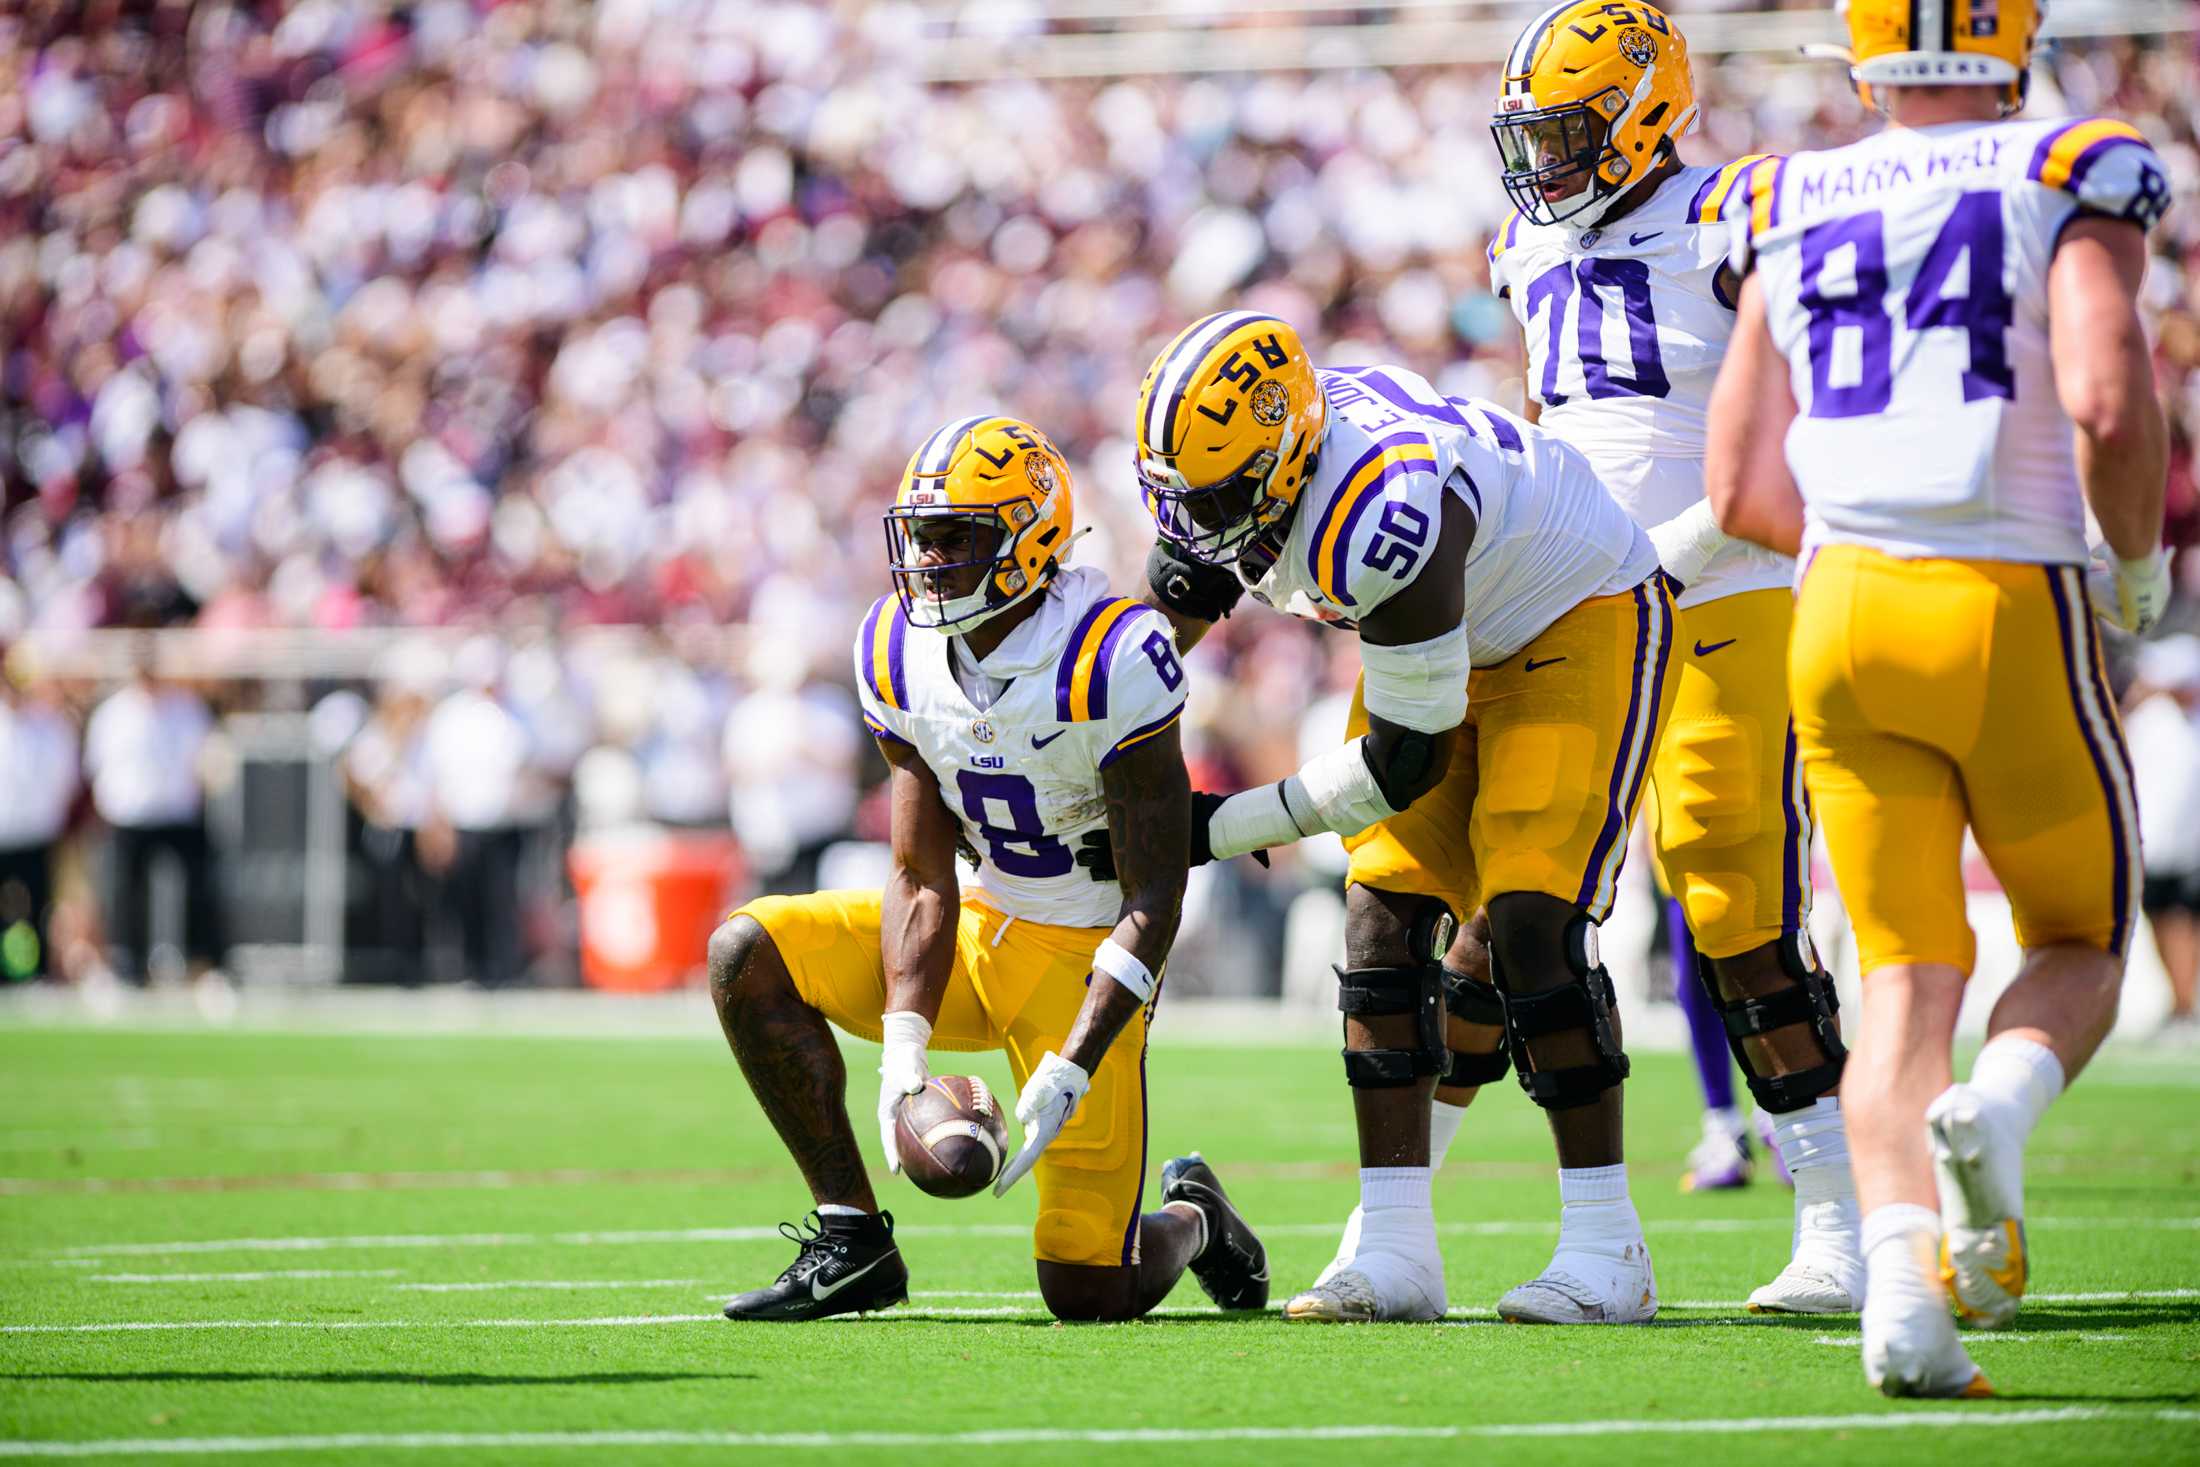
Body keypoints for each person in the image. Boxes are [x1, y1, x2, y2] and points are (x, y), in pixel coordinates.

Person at [1704, 0, 2168, 1396]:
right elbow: (2102, 393)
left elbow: (1738, 492)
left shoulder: (1786, 193)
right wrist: (2133, 566)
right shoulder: (2062, 162)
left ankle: (1903, 1295)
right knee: (2084, 934)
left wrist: (1868, 541)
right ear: (2012, 41)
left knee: (1900, 983)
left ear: (1867, 49)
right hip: (2006, 590)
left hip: (1839, 609)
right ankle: (2002, 1110)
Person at [1139, 309, 1674, 1325]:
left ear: (1285, 460)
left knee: (1529, 919)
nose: (1197, 525)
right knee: (1379, 914)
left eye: (1218, 499)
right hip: (1446, 633)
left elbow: (1400, 764)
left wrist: (1209, 829)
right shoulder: (1255, 470)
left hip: (1578, 614)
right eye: (1182, 499)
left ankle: (1609, 1246)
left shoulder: (1380, 508)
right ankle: (1393, 1251)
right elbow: (1146, 659)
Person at [1472, 0, 1862, 1314]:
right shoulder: (1523, 243)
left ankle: (1841, 1220)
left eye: (1572, 129)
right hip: (1579, 613)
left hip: (1723, 594)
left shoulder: (1737, 210)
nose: (1549, 158)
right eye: (1536, 132)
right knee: (1495, 907)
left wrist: (1667, 548)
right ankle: (1406, 1220)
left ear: (1645, 112)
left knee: (1730, 892)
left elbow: (1813, 422)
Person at [706, 416, 1267, 1324]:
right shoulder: (896, 647)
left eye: (955, 537)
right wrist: (903, 1049)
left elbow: (1156, 895)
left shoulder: (1111, 656)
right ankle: (851, 1239)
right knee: (748, 951)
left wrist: (1073, 1065)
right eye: (921, 537)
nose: (928, 560)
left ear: (1030, 537)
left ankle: (1194, 1217)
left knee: (1089, 1289)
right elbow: (921, 876)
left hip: (1085, 959)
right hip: (977, 926)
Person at [82, 645, 224, 984]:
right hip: (130, 817)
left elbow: (208, 757)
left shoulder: (187, 709)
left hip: (178, 814)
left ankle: (201, 963)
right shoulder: (112, 714)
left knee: (198, 890)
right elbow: (95, 766)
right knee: (127, 895)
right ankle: (129, 966)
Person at [2126, 635, 2200, 1037]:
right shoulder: (2150, 720)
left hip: (2188, 844)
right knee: (2167, 919)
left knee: (2183, 919)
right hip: (2158, 844)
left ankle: (2185, 1005)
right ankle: (2181, 1005)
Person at [0, 668, 80, 981]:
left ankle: (40, 972)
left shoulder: (49, 726)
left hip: (38, 829)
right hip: (3, 830)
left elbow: (64, 778)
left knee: (40, 905)